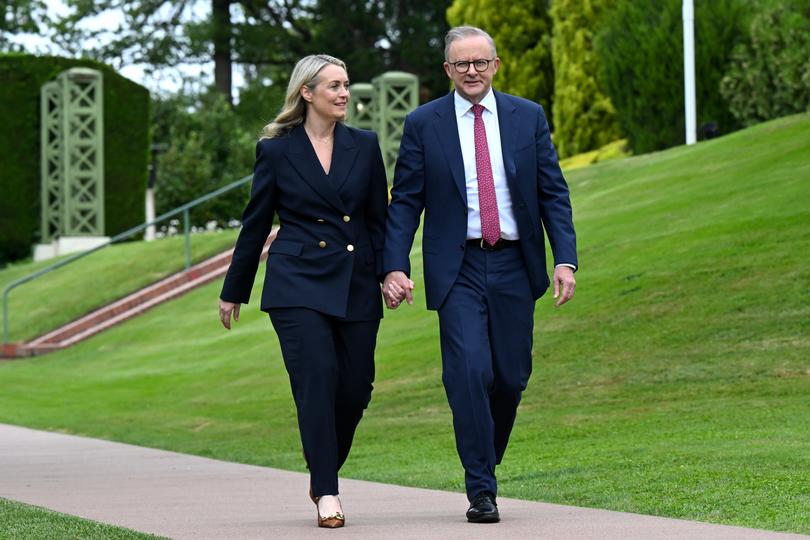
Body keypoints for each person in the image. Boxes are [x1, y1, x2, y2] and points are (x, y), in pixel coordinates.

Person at [382, 26, 578, 524]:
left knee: (510, 378)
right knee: (470, 372)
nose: (472, 72)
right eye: (461, 64)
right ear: (447, 70)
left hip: (516, 262)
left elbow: (553, 192)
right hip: (458, 266)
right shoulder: (424, 123)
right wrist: (394, 265)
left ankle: (484, 460)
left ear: (495, 64)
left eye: (480, 63)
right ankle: (481, 489)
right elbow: (405, 200)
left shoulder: (526, 116)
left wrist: (564, 258)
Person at [218, 54, 388, 529]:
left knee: (356, 387)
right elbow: (256, 223)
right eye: (333, 85)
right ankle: (328, 491)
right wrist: (235, 289)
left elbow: (379, 219)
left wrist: (390, 272)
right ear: (307, 93)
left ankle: (321, 468)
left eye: (347, 85)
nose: (343, 94)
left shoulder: (365, 145)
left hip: (355, 280)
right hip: (296, 282)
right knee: (317, 378)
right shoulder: (276, 150)